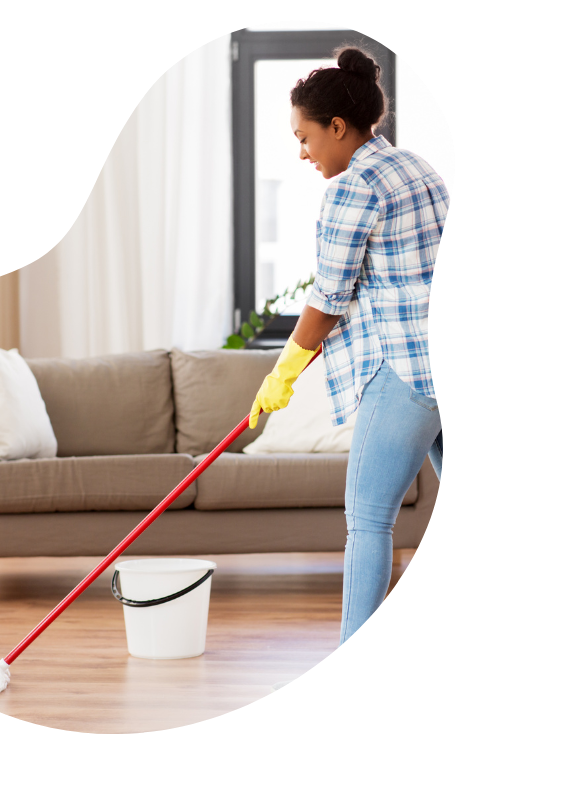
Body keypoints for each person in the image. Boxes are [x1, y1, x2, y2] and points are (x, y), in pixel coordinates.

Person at [248, 46, 446, 645]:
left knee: (366, 521)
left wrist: (281, 373)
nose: (301, 153)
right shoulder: (419, 166)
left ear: (338, 127)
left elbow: (329, 297)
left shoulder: (350, 189)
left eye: (305, 137)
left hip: (405, 371)